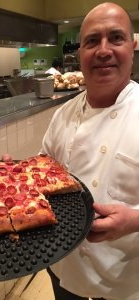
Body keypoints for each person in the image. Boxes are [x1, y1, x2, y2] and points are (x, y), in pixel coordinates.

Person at [40, 2, 139, 300]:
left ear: (133, 47)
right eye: (92, 41)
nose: (103, 50)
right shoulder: (63, 114)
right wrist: (13, 180)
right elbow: (42, 173)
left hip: (125, 280)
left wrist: (135, 221)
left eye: (116, 38)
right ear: (80, 53)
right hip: (64, 268)